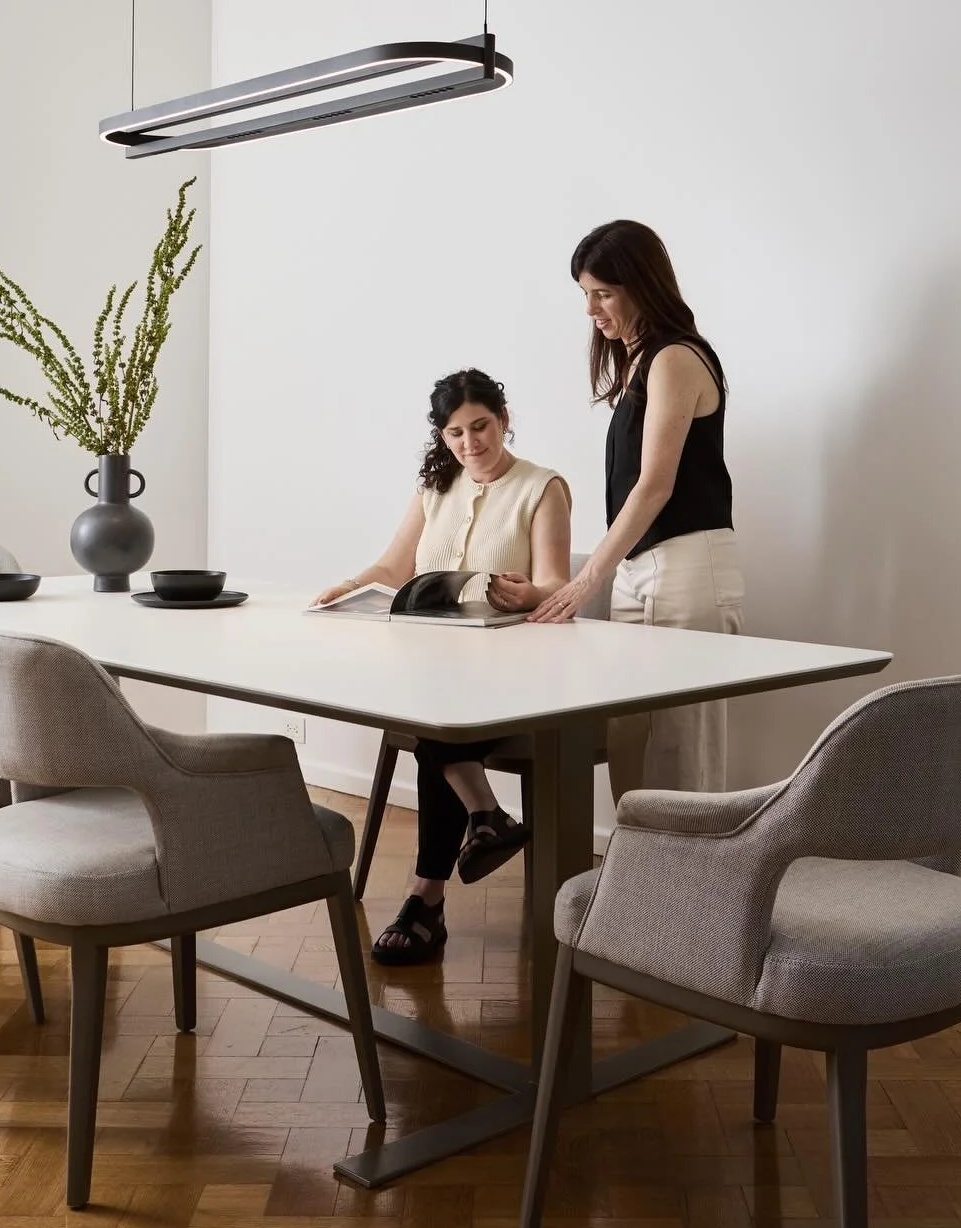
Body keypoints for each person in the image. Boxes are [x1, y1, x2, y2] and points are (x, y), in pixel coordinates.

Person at [314, 369, 572, 965]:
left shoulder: (542, 487)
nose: (469, 443)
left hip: (514, 670)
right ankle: (480, 817)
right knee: (430, 698)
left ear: (503, 419)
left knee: (434, 706)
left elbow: (557, 585)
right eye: (454, 433)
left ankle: (428, 897)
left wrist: (525, 594)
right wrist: (347, 588)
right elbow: (392, 568)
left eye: (480, 427)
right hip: (437, 668)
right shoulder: (436, 489)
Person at [516, 220, 743, 799]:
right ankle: (643, 885)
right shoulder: (639, 363)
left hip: (688, 564)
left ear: (642, 285)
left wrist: (588, 576)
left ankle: (696, 889)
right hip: (643, 566)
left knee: (682, 755)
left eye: (603, 293)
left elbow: (654, 486)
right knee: (629, 745)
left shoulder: (674, 358)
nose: (591, 309)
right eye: (585, 295)